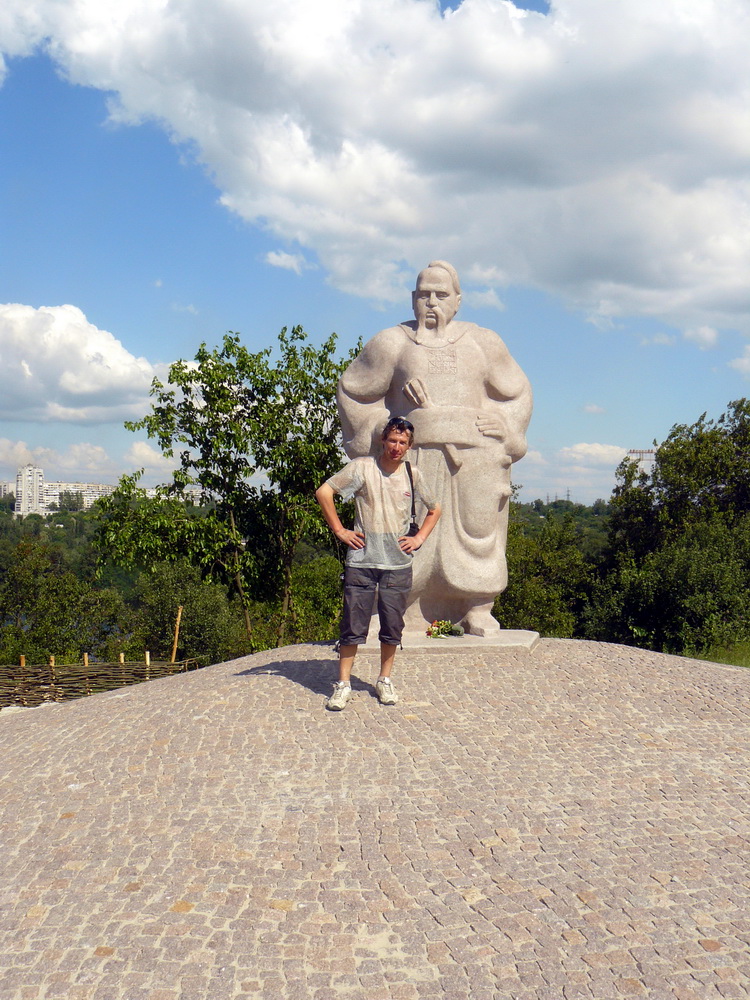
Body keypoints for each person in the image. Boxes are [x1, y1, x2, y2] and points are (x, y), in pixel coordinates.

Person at [336, 260, 532, 635]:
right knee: (402, 529)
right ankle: (394, 608)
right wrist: (383, 428)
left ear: (457, 300)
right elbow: (353, 394)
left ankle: (476, 607)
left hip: (473, 458)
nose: (432, 302)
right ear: (412, 299)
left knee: (478, 532)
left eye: (441, 294)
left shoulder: (483, 342)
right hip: (414, 458)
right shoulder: (392, 343)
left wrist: (506, 428)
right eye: (424, 294)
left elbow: (518, 393)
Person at [315, 416, 441, 710]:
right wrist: (340, 530)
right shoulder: (363, 467)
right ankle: (343, 683)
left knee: (392, 625)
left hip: (397, 563)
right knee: (352, 624)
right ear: (383, 440)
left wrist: (419, 538)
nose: (396, 447)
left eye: (402, 442)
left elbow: (435, 508)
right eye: (392, 440)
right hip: (362, 560)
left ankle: (384, 679)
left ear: (409, 446)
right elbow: (324, 492)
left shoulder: (413, 474)